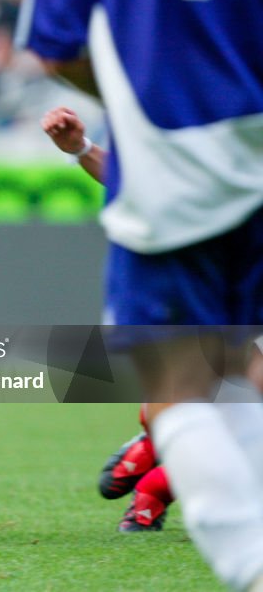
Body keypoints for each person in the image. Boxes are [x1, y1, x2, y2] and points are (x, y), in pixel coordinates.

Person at [19, 0, 263, 589]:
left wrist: (130, 110)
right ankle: (157, 473)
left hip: (173, 170)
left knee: (178, 379)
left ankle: (241, 555)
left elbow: (54, 37)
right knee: (234, 367)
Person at [43, 106, 263, 535]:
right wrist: (83, 149)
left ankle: (158, 475)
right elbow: (148, 186)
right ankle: (162, 455)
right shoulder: (221, 126)